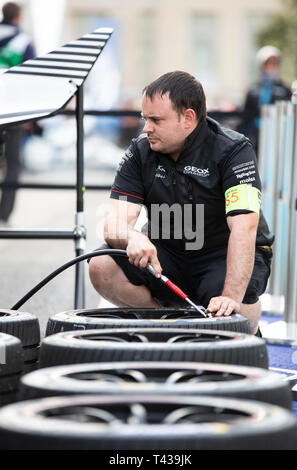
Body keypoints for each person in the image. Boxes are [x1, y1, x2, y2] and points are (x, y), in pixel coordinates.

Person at [89, 71, 274, 335]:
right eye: (144, 118)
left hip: (222, 253)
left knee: (231, 311)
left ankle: (242, 333)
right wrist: (131, 237)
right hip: (169, 252)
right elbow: (114, 223)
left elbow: (244, 229)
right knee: (101, 266)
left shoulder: (234, 150)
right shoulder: (140, 151)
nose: (146, 128)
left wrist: (230, 297)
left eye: (156, 120)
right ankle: (163, 326)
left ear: (188, 118)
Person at [0, 2, 35, 226]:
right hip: (13, 111)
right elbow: (33, 78)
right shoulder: (23, 41)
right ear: (18, 17)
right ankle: (4, 214)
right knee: (13, 163)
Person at [238, 45, 291, 154]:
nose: (271, 66)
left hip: (278, 137)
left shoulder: (284, 90)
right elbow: (246, 115)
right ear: (261, 65)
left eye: (275, 63)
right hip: (256, 138)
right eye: (268, 63)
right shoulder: (253, 89)